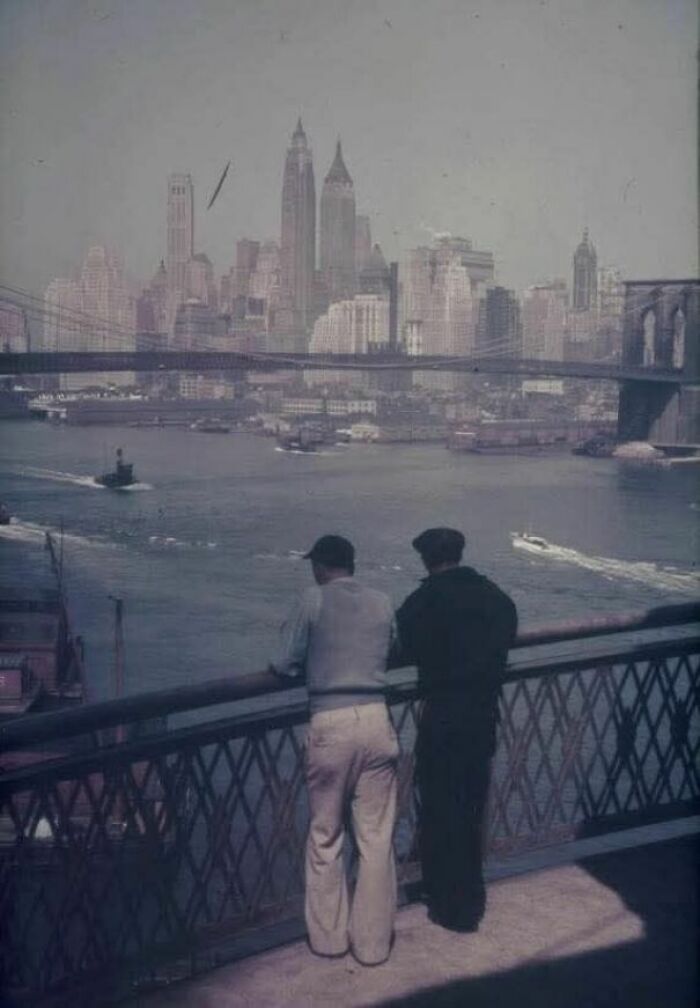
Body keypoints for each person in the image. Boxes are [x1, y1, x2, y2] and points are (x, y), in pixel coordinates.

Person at [271, 534, 399, 965]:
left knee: (326, 835)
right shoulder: (383, 601)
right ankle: (373, 945)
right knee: (377, 837)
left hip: (331, 722)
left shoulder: (312, 599)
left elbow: (285, 661)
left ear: (321, 565)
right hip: (378, 719)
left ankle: (329, 941)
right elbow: (393, 651)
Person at [395, 527, 517, 933]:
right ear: (459, 554)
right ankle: (470, 898)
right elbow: (508, 629)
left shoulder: (422, 600)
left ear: (427, 560)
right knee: (471, 805)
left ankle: (447, 902)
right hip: (483, 716)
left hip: (443, 717)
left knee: (439, 805)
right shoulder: (492, 595)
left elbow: (403, 646)